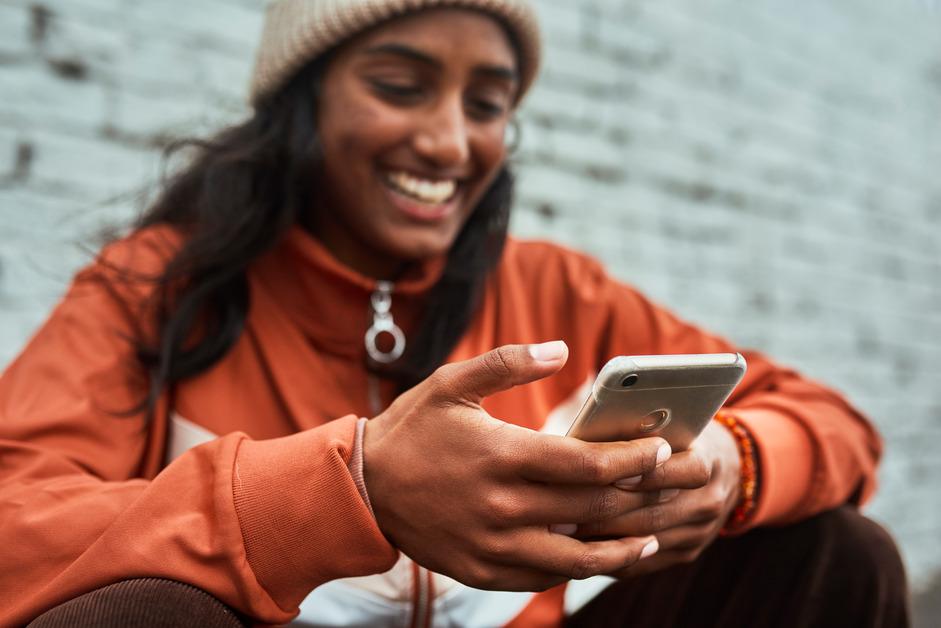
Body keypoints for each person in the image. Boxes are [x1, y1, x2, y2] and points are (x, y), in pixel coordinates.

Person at [0, 1, 909, 626]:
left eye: (487, 104)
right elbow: (15, 529)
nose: (447, 141)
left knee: (835, 553)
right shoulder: (153, 287)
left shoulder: (556, 290)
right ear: (300, 102)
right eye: (399, 85)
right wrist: (351, 489)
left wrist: (730, 464)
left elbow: (835, 426)